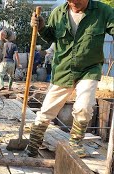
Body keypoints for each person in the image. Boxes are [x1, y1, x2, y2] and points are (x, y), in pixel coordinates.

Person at [24, 0, 114, 158]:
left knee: (84, 107)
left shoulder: (103, 11)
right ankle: (33, 144)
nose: (74, 4)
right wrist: (41, 27)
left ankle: (76, 142)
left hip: (89, 68)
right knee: (46, 110)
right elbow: (50, 36)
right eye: (70, 2)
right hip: (63, 68)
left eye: (77, 1)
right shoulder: (58, 13)